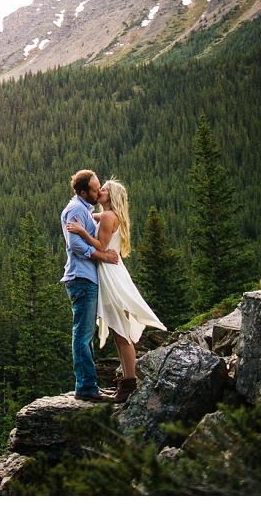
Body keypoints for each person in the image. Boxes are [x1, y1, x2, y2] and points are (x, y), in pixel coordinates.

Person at [68, 178, 166, 403]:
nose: (100, 191)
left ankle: (129, 384)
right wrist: (81, 210)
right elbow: (93, 215)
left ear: (111, 197)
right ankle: (126, 383)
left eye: (104, 189)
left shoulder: (110, 216)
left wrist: (82, 231)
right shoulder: (110, 215)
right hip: (114, 272)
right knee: (119, 331)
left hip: (110, 275)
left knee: (121, 333)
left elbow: (101, 246)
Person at [61, 169, 120, 402]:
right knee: (83, 334)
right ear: (83, 192)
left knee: (86, 333)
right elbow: (75, 244)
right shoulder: (76, 210)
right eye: (95, 190)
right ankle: (86, 387)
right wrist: (101, 256)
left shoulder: (85, 209)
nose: (99, 192)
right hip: (82, 278)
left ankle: (88, 384)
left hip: (86, 279)